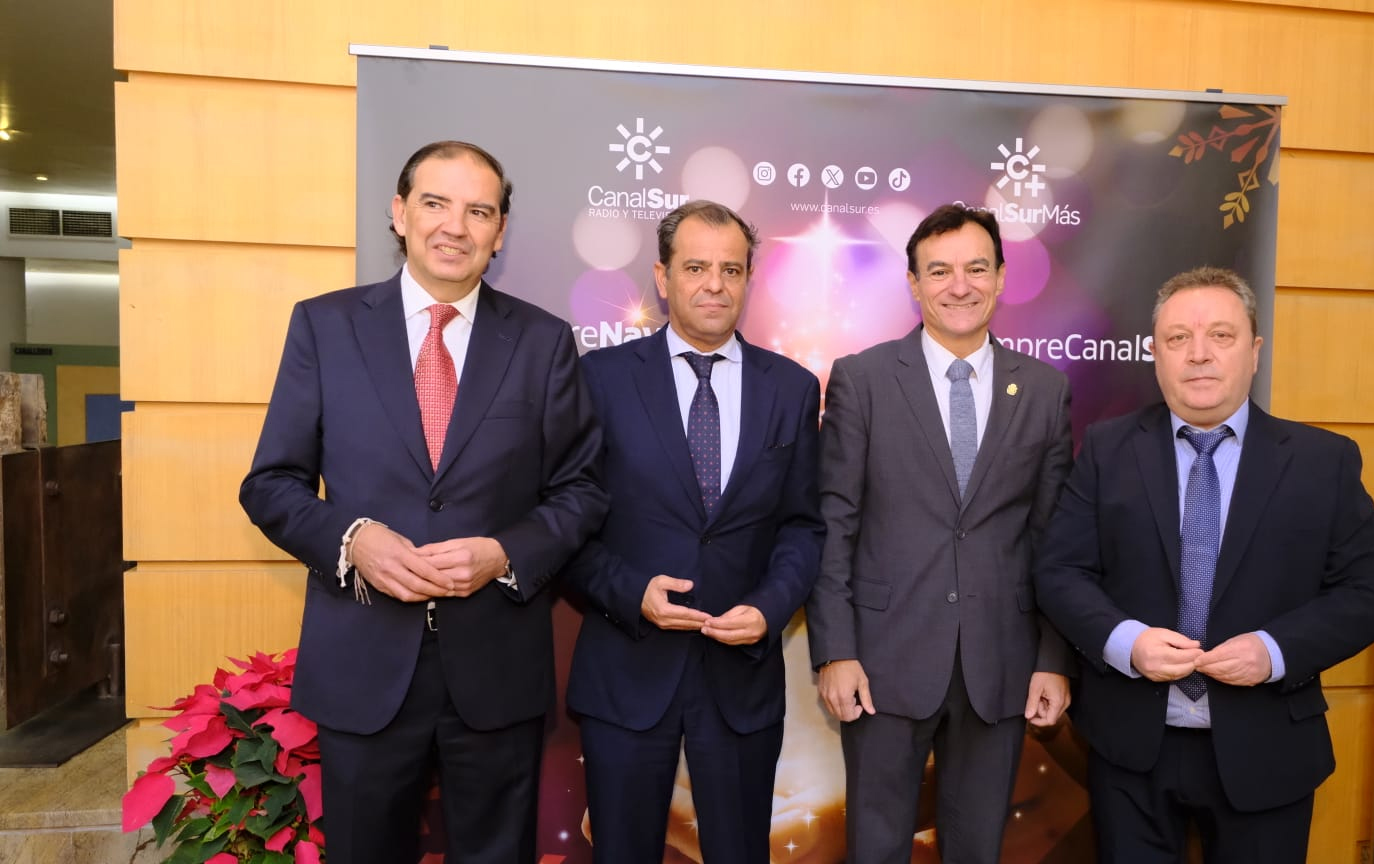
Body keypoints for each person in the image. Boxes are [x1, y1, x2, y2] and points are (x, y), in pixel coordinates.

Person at [239, 140, 607, 864]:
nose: (455, 227)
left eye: (479, 211)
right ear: (400, 212)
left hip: (496, 667)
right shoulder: (325, 326)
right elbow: (271, 483)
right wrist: (354, 540)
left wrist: (504, 553)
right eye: (435, 203)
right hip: (363, 664)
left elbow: (583, 488)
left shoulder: (543, 341)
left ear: (500, 231)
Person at [1034, 266, 1374, 863]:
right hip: (1131, 750)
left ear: (1254, 351)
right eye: (1178, 338)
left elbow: (1369, 592)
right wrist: (1127, 642)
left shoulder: (1322, 461)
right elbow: (1059, 571)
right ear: (1156, 355)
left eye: (1221, 336)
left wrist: (1274, 652)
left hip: (1269, 747)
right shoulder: (1107, 449)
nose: (1198, 354)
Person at [807, 203, 1075, 863]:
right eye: (940, 270)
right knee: (876, 849)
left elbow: (1054, 540)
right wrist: (834, 651)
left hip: (1001, 665)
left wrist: (1052, 659)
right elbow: (834, 523)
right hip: (882, 663)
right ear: (914, 282)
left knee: (977, 849)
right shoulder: (863, 380)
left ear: (1001, 278)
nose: (960, 286)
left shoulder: (1044, 391)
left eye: (976, 269)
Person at [563, 199, 824, 863]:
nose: (715, 284)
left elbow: (802, 525)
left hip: (740, 680)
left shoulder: (792, 389)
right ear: (662, 276)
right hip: (626, 671)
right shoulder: (599, 380)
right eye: (696, 267)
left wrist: (769, 609)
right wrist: (632, 593)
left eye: (731, 270)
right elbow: (564, 522)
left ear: (748, 280)